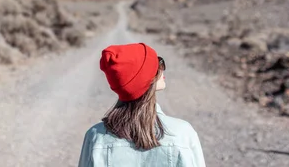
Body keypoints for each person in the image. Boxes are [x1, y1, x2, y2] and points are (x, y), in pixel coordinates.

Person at [78, 43, 206, 166]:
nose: (162, 69)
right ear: (146, 79)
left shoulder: (95, 136)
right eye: (157, 64)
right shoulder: (182, 133)